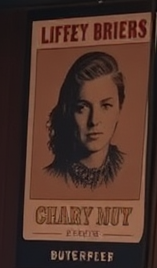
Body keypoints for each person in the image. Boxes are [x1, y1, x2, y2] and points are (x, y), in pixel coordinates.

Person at [44, 50, 126, 189]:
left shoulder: (128, 169)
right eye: (82, 108)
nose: (94, 121)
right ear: (68, 111)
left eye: (106, 105)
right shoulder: (49, 178)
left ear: (119, 109)